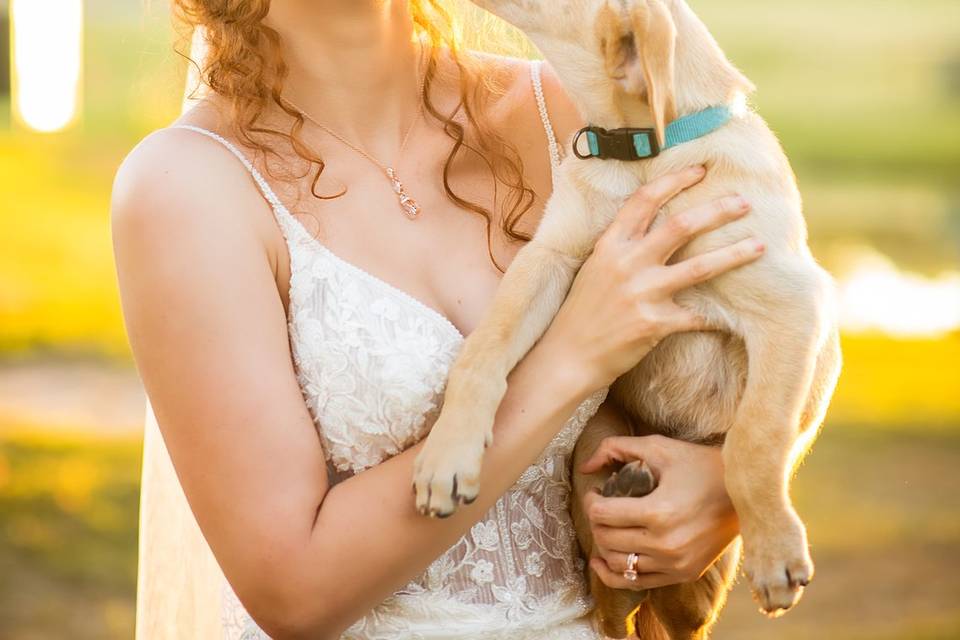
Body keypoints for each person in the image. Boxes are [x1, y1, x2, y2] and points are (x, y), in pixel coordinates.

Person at [112, 1, 759, 638]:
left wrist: (730, 484)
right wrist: (572, 358)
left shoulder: (565, 110)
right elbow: (294, 594)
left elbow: (759, 327)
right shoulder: (188, 187)